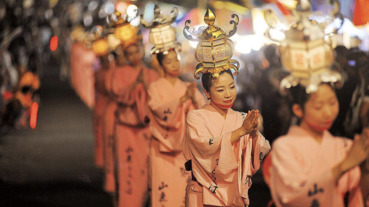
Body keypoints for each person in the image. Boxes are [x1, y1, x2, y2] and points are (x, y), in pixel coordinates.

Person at [269, 82, 369, 206]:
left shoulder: (344, 146)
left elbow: (358, 197)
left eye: (332, 103)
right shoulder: (284, 146)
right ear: (298, 110)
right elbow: (293, 198)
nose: (328, 112)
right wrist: (342, 167)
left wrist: (364, 169)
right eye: (318, 106)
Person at [148, 49, 206, 207]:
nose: (174, 65)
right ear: (160, 64)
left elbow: (204, 114)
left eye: (176, 60)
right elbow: (158, 111)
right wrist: (181, 101)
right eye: (169, 61)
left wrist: (193, 98)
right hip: (162, 150)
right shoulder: (154, 88)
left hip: (184, 150)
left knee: (184, 192)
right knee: (165, 192)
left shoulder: (188, 87)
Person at [111, 33, 159, 207]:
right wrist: (134, 85)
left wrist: (144, 85)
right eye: (129, 53)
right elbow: (119, 94)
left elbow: (156, 99)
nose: (133, 57)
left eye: (135, 52)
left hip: (145, 128)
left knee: (145, 170)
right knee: (127, 170)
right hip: (126, 128)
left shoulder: (151, 74)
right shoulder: (119, 73)